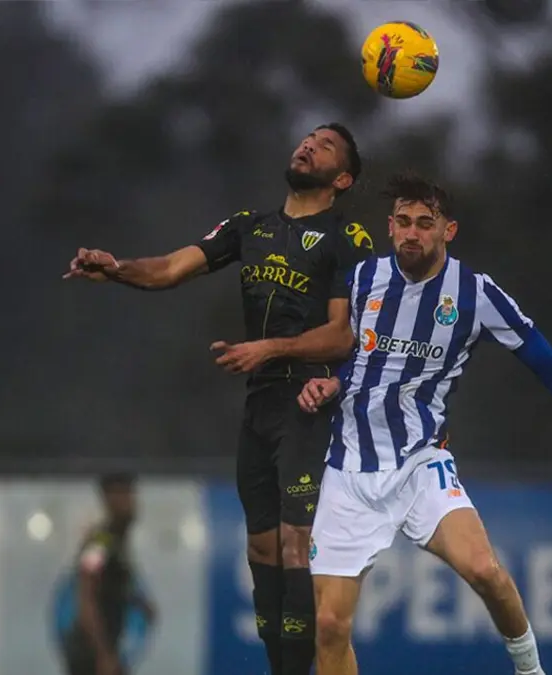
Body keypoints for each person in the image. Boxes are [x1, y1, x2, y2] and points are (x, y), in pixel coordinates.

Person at [64, 124, 375, 675]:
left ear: (343, 179)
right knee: (261, 549)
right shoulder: (248, 226)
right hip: (260, 403)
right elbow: (169, 268)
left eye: (325, 145)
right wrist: (116, 269)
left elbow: (343, 334)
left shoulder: (347, 237)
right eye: (307, 138)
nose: (307, 145)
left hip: (309, 401)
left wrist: (269, 348)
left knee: (296, 543)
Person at [296, 173, 552, 675]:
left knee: (484, 570)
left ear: (448, 230)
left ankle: (531, 671)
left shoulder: (474, 292)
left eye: (425, 223)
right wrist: (328, 382)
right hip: (349, 468)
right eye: (403, 222)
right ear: (390, 226)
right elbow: (351, 354)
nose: (412, 233)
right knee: (330, 626)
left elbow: (545, 361)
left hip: (421, 463)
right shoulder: (362, 279)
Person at [58, 474, 156, 675]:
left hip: (105, 650)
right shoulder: (99, 542)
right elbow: (86, 597)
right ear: (109, 498)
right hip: (90, 655)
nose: (132, 501)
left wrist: (139, 603)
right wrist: (103, 654)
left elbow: (113, 587)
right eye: (125, 494)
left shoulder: (116, 544)